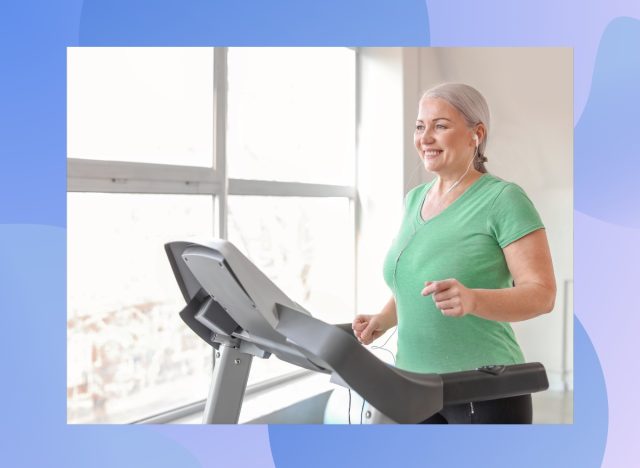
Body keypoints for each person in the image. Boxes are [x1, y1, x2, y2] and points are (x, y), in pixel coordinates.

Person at [352, 83, 556, 424]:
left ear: (476, 134)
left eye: (440, 126)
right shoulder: (415, 198)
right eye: (420, 126)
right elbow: (415, 279)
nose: (425, 137)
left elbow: (542, 294)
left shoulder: (503, 199)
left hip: (484, 390)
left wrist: (474, 300)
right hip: (414, 385)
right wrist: (383, 320)